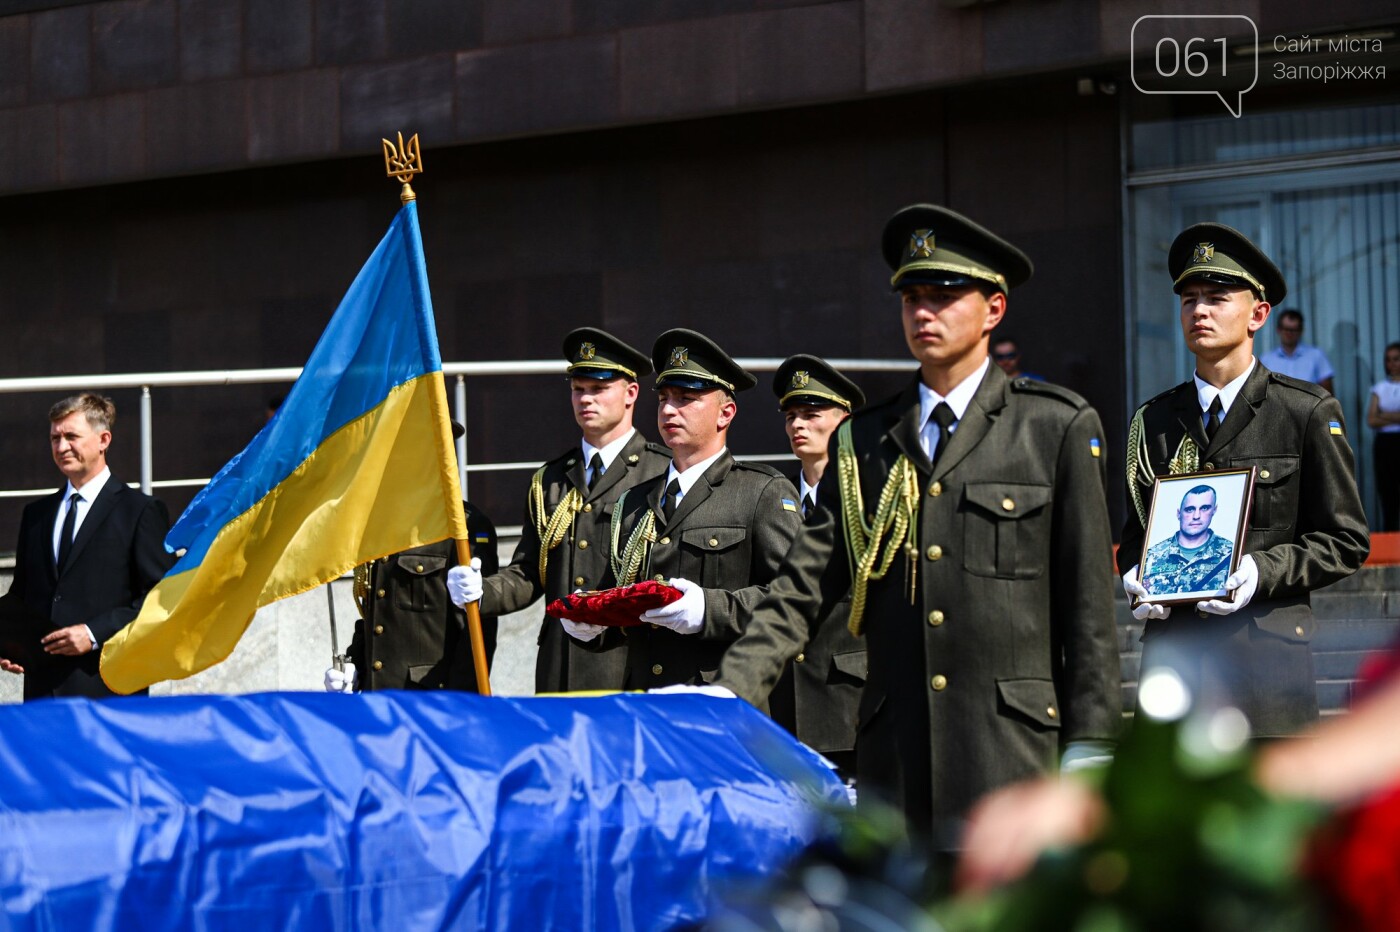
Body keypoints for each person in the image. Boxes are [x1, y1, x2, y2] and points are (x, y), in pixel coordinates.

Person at [715, 205, 1122, 846]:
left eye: (943, 295)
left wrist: (1092, 745)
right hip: (896, 762)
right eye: (912, 297)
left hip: (1012, 758)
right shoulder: (866, 440)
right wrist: (729, 692)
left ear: (993, 309)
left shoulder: (1054, 428)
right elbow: (800, 589)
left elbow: (1090, 610)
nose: (923, 312)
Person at [1120, 223, 1370, 737]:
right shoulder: (1155, 421)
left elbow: (1345, 540)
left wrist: (1261, 571)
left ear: (1258, 314)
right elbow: (1136, 536)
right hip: (1176, 674)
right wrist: (1135, 575)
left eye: (1216, 297)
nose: (1199, 311)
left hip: (1267, 680)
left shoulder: (1304, 411)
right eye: (1189, 300)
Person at [573, 328, 802, 690]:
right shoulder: (634, 501)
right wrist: (591, 623)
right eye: (663, 397)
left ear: (725, 413)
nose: (668, 409)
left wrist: (707, 610)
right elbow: (624, 603)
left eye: (686, 398)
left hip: (724, 700)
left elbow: (795, 600)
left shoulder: (761, 492)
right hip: (647, 698)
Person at [446, 328, 670, 693]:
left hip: (628, 668)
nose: (585, 399)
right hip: (559, 670)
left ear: (631, 393)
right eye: (578, 389)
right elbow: (528, 574)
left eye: (598, 389)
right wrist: (481, 592)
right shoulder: (550, 479)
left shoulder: (661, 473)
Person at [0, 393, 174, 700]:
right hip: (43, 695)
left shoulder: (140, 511)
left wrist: (93, 634)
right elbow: (23, 595)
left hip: (106, 691)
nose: (61, 446)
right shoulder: (36, 515)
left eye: (71, 436)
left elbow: (159, 598)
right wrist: (10, 643)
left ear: (103, 439)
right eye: (55, 438)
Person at [324, 423, 502, 693]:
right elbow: (376, 616)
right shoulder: (380, 527)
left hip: (431, 702)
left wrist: (459, 706)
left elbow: (478, 630)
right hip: (379, 699)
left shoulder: (462, 528)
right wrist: (353, 665)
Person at [765, 355, 867, 775]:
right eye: (791, 416)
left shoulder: (871, 496)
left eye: (811, 414)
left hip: (850, 699)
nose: (797, 426)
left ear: (843, 420)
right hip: (783, 705)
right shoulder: (772, 498)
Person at [1140, 484, 1233, 596]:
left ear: (1214, 510)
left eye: (1204, 508)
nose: (1196, 516)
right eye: (1190, 509)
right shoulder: (1152, 555)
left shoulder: (1230, 553)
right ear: (1179, 514)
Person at [1367, 342, 1400, 531]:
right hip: (1385, 445)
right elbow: (1371, 419)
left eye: (1396, 359)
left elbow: (1378, 416)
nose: (1392, 364)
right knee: (1388, 493)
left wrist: (1384, 416)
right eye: (1388, 360)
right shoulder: (1380, 388)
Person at [1261, 309, 1334, 393]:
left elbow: (1328, 393)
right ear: (1278, 330)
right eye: (1286, 329)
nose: (1289, 334)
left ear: (1301, 331)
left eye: (1293, 330)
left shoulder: (1316, 356)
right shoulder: (1266, 359)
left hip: (1309, 405)